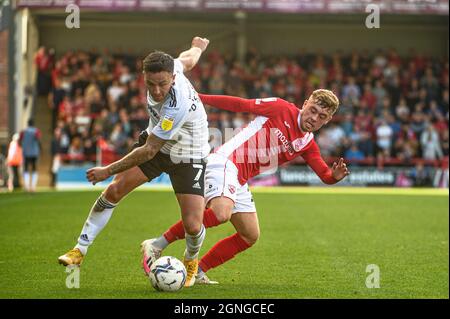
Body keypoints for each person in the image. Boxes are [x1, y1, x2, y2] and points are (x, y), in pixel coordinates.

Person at [141, 89, 350, 284]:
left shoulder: (307, 144)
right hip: (226, 161)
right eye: (313, 110)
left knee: (249, 235)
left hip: (240, 178)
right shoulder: (281, 108)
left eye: (322, 116)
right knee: (221, 213)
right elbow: (240, 104)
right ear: (305, 104)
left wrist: (334, 177)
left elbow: (324, 174)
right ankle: (157, 244)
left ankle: (198, 271)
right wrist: (199, 98)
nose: (314, 118)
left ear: (328, 120)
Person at [58, 37, 211, 287]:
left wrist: (107, 169)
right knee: (114, 190)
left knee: (193, 225)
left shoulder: (177, 105)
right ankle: (79, 250)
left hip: (189, 154)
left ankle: (191, 260)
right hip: (159, 144)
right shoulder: (173, 66)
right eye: (151, 84)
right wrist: (198, 47)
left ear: (173, 78)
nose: (157, 90)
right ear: (143, 77)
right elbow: (188, 60)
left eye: (162, 84)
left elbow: (149, 150)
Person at [19, 119, 42, 193]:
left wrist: (23, 146)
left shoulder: (23, 132)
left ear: (27, 124)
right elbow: (38, 139)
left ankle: (27, 186)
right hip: (34, 152)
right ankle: (33, 187)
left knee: (26, 169)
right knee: (34, 169)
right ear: (33, 124)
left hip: (26, 152)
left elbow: (19, 141)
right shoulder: (36, 131)